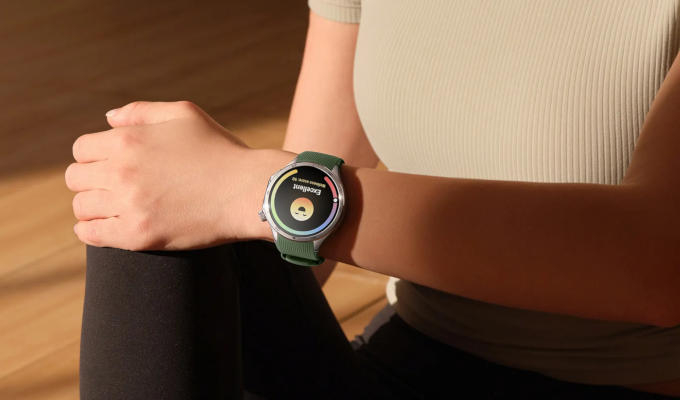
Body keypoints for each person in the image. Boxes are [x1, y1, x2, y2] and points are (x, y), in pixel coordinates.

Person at [64, 1, 680, 398]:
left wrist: (246, 185)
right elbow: (300, 220)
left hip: (622, 381)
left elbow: (657, 263)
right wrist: (196, 196)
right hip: (407, 357)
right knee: (137, 196)